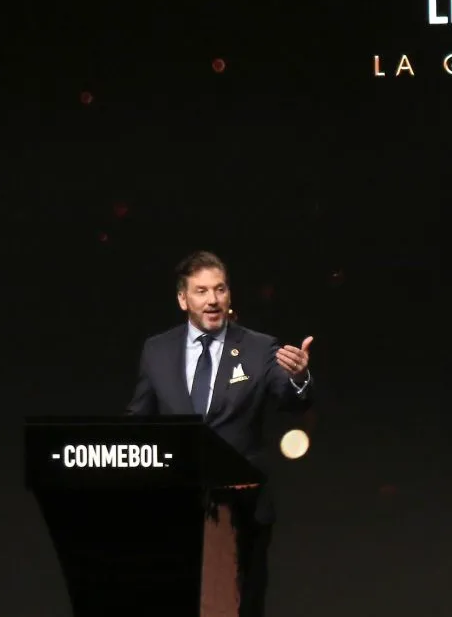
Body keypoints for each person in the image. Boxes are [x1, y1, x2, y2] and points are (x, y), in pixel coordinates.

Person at [126, 250, 314, 617]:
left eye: (220, 289)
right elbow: (139, 419)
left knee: (242, 605)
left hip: (243, 513)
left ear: (230, 295)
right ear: (183, 299)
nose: (212, 300)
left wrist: (298, 378)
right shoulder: (157, 350)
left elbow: (292, 400)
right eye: (201, 291)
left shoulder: (260, 348)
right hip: (176, 507)